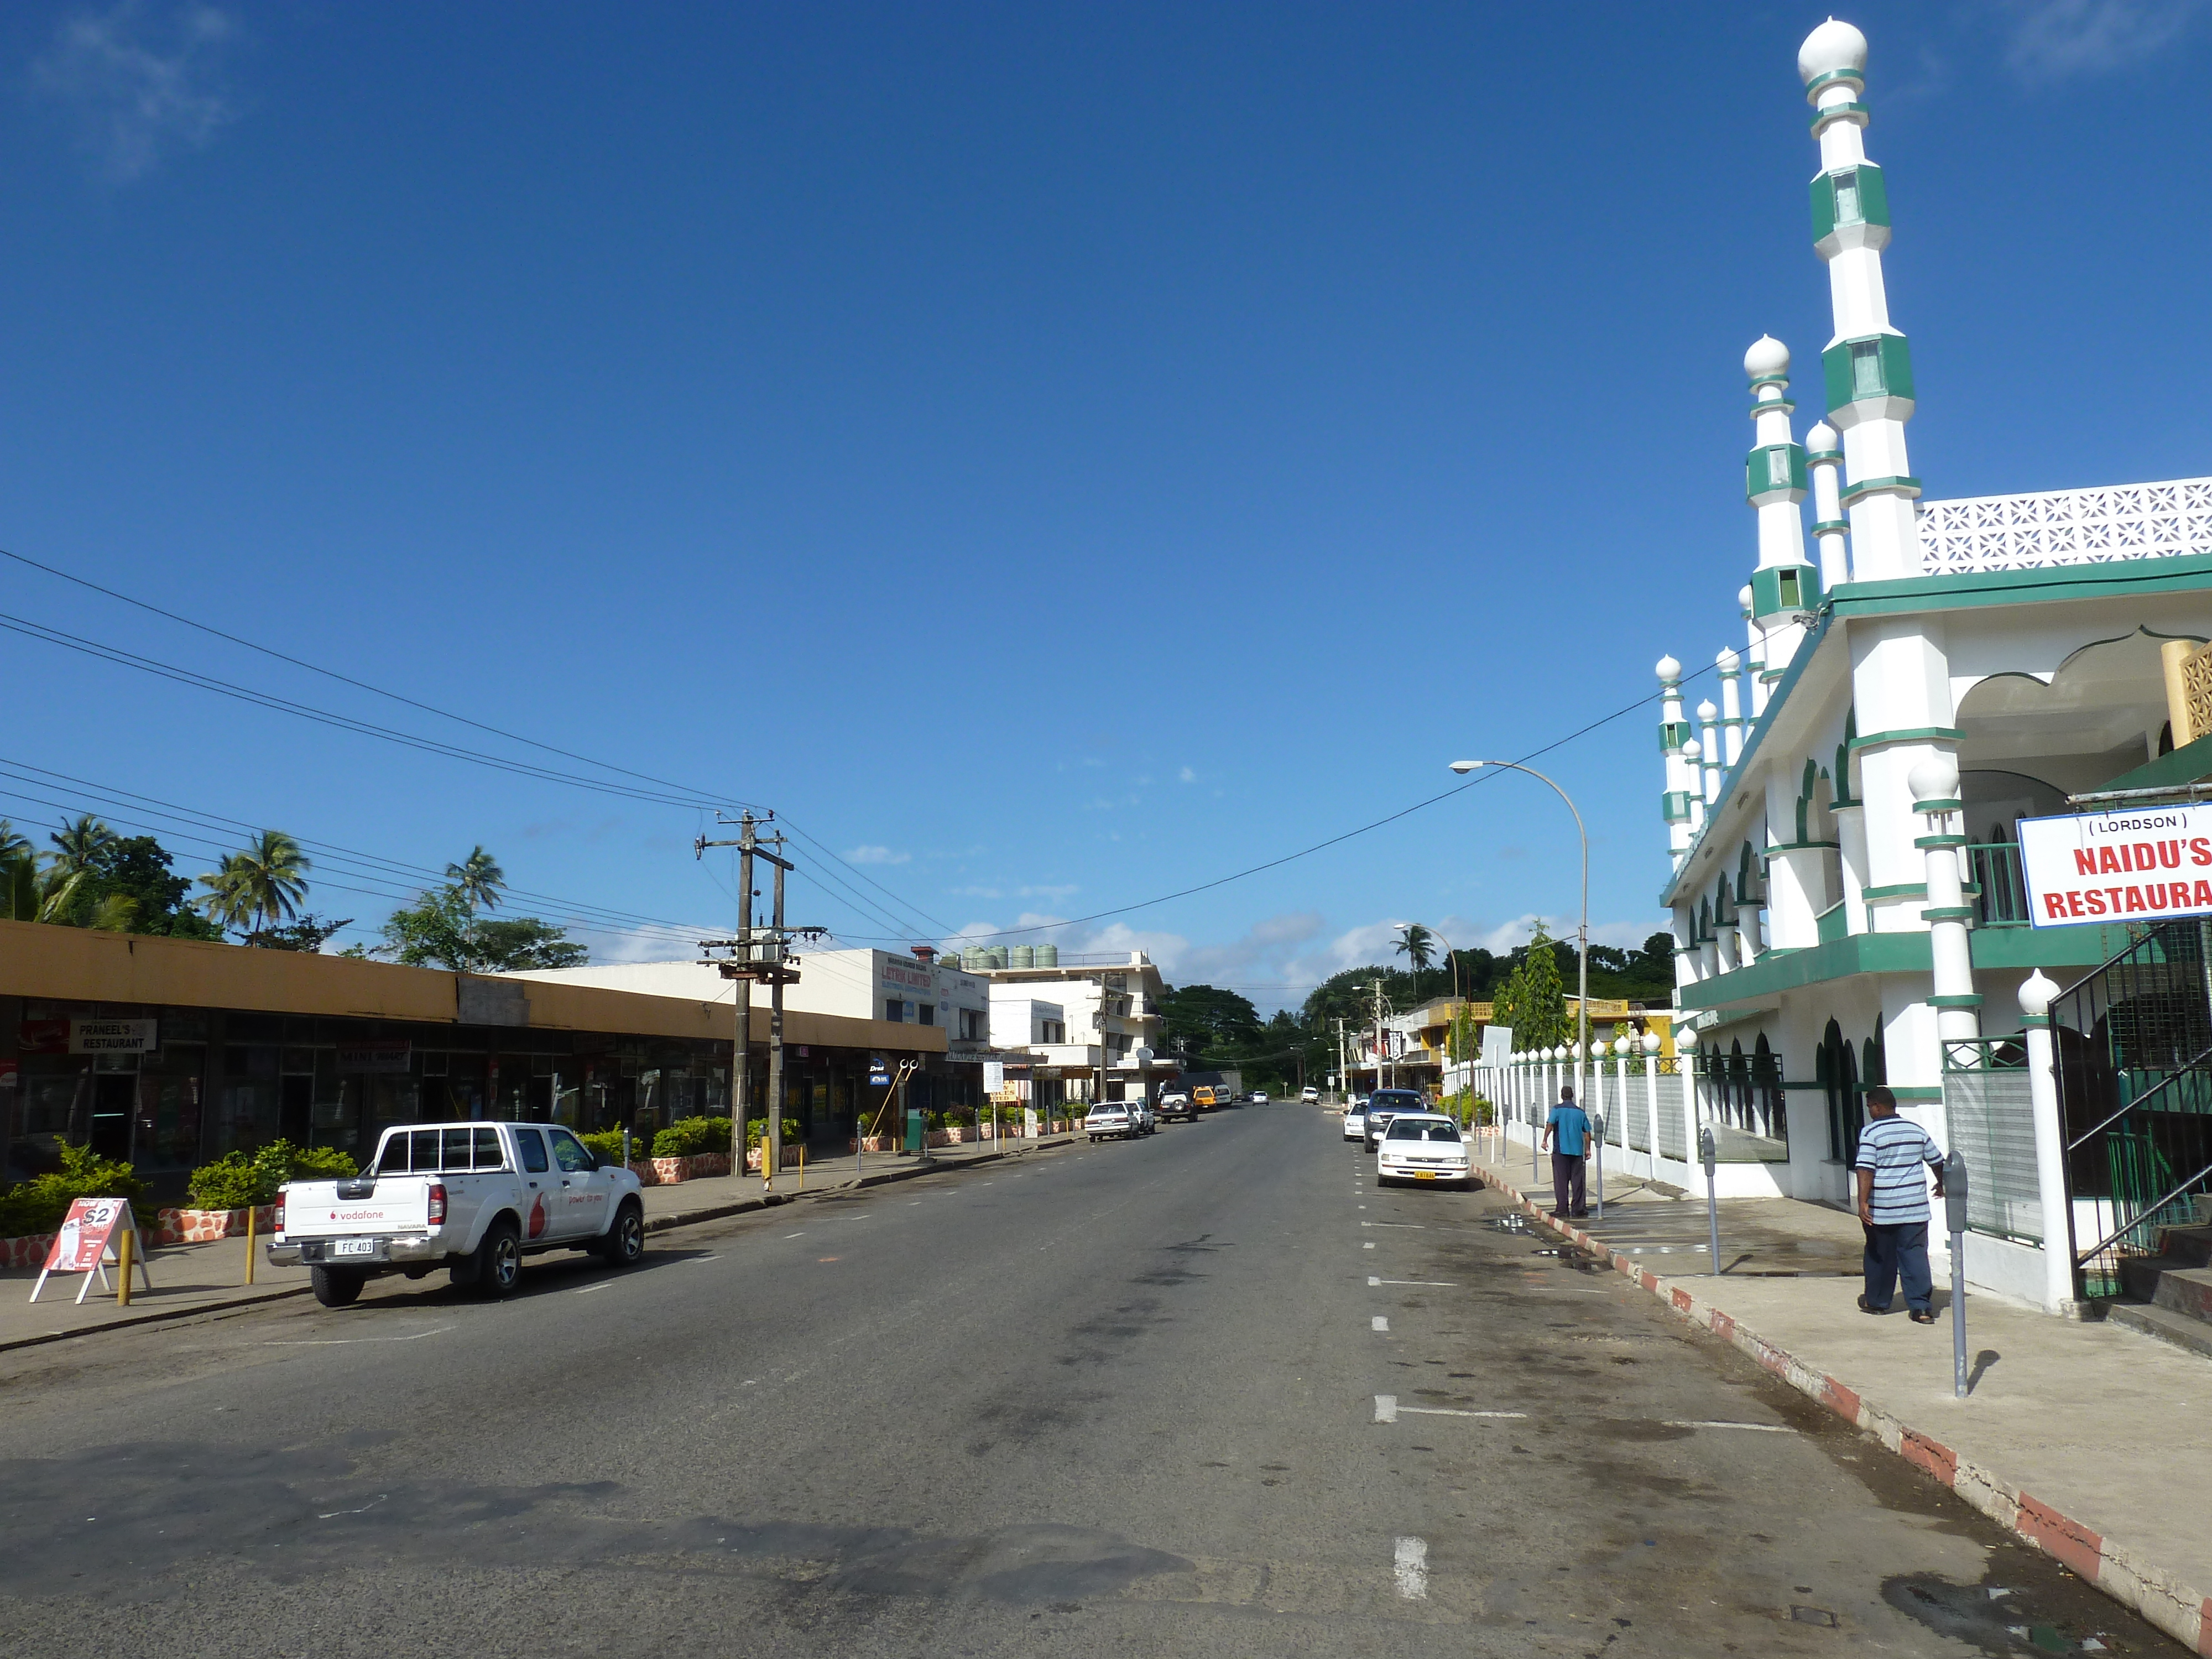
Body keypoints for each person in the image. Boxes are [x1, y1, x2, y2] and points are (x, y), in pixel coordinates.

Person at [1853, 1085, 1947, 1324]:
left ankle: (1877, 1302)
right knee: (1915, 1255)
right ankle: (1922, 1308)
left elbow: (1865, 1169)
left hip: (1882, 1210)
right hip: (1915, 1209)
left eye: (1870, 1107)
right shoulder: (1916, 1130)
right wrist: (1941, 1183)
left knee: (1879, 1256)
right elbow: (1937, 1160)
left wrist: (1863, 1202)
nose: (1870, 1112)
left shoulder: (1871, 1133)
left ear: (1877, 1106)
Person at [1540, 1084, 1592, 1219]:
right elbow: (1587, 1132)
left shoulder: (1557, 1110)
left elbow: (1550, 1124)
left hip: (1561, 1151)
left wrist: (1545, 1140)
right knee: (1578, 1181)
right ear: (1572, 1096)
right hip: (1577, 1152)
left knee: (1561, 1181)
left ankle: (1562, 1208)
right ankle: (1578, 1209)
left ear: (1562, 1096)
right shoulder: (1580, 1112)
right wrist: (1587, 1149)